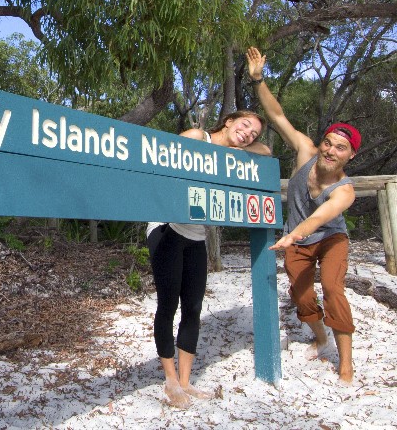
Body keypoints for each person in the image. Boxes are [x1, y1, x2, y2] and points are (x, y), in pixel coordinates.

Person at [246, 46, 360, 384]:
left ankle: (346, 362)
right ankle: (320, 337)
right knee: (301, 293)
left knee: (332, 289)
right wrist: (258, 80)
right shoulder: (306, 152)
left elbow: (320, 217)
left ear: (350, 156)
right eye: (328, 143)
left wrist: (294, 234)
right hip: (296, 238)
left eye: (340, 148)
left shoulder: (345, 190)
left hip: (328, 238)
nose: (330, 150)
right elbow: (278, 116)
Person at [146, 111, 271, 408]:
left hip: (196, 233)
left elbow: (266, 151)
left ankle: (186, 381)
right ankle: (171, 380)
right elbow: (161, 160)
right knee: (168, 305)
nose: (248, 134)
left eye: (253, 133)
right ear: (228, 121)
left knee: (193, 307)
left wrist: (239, 147)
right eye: (244, 125)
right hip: (166, 227)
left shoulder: (233, 157)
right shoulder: (196, 137)